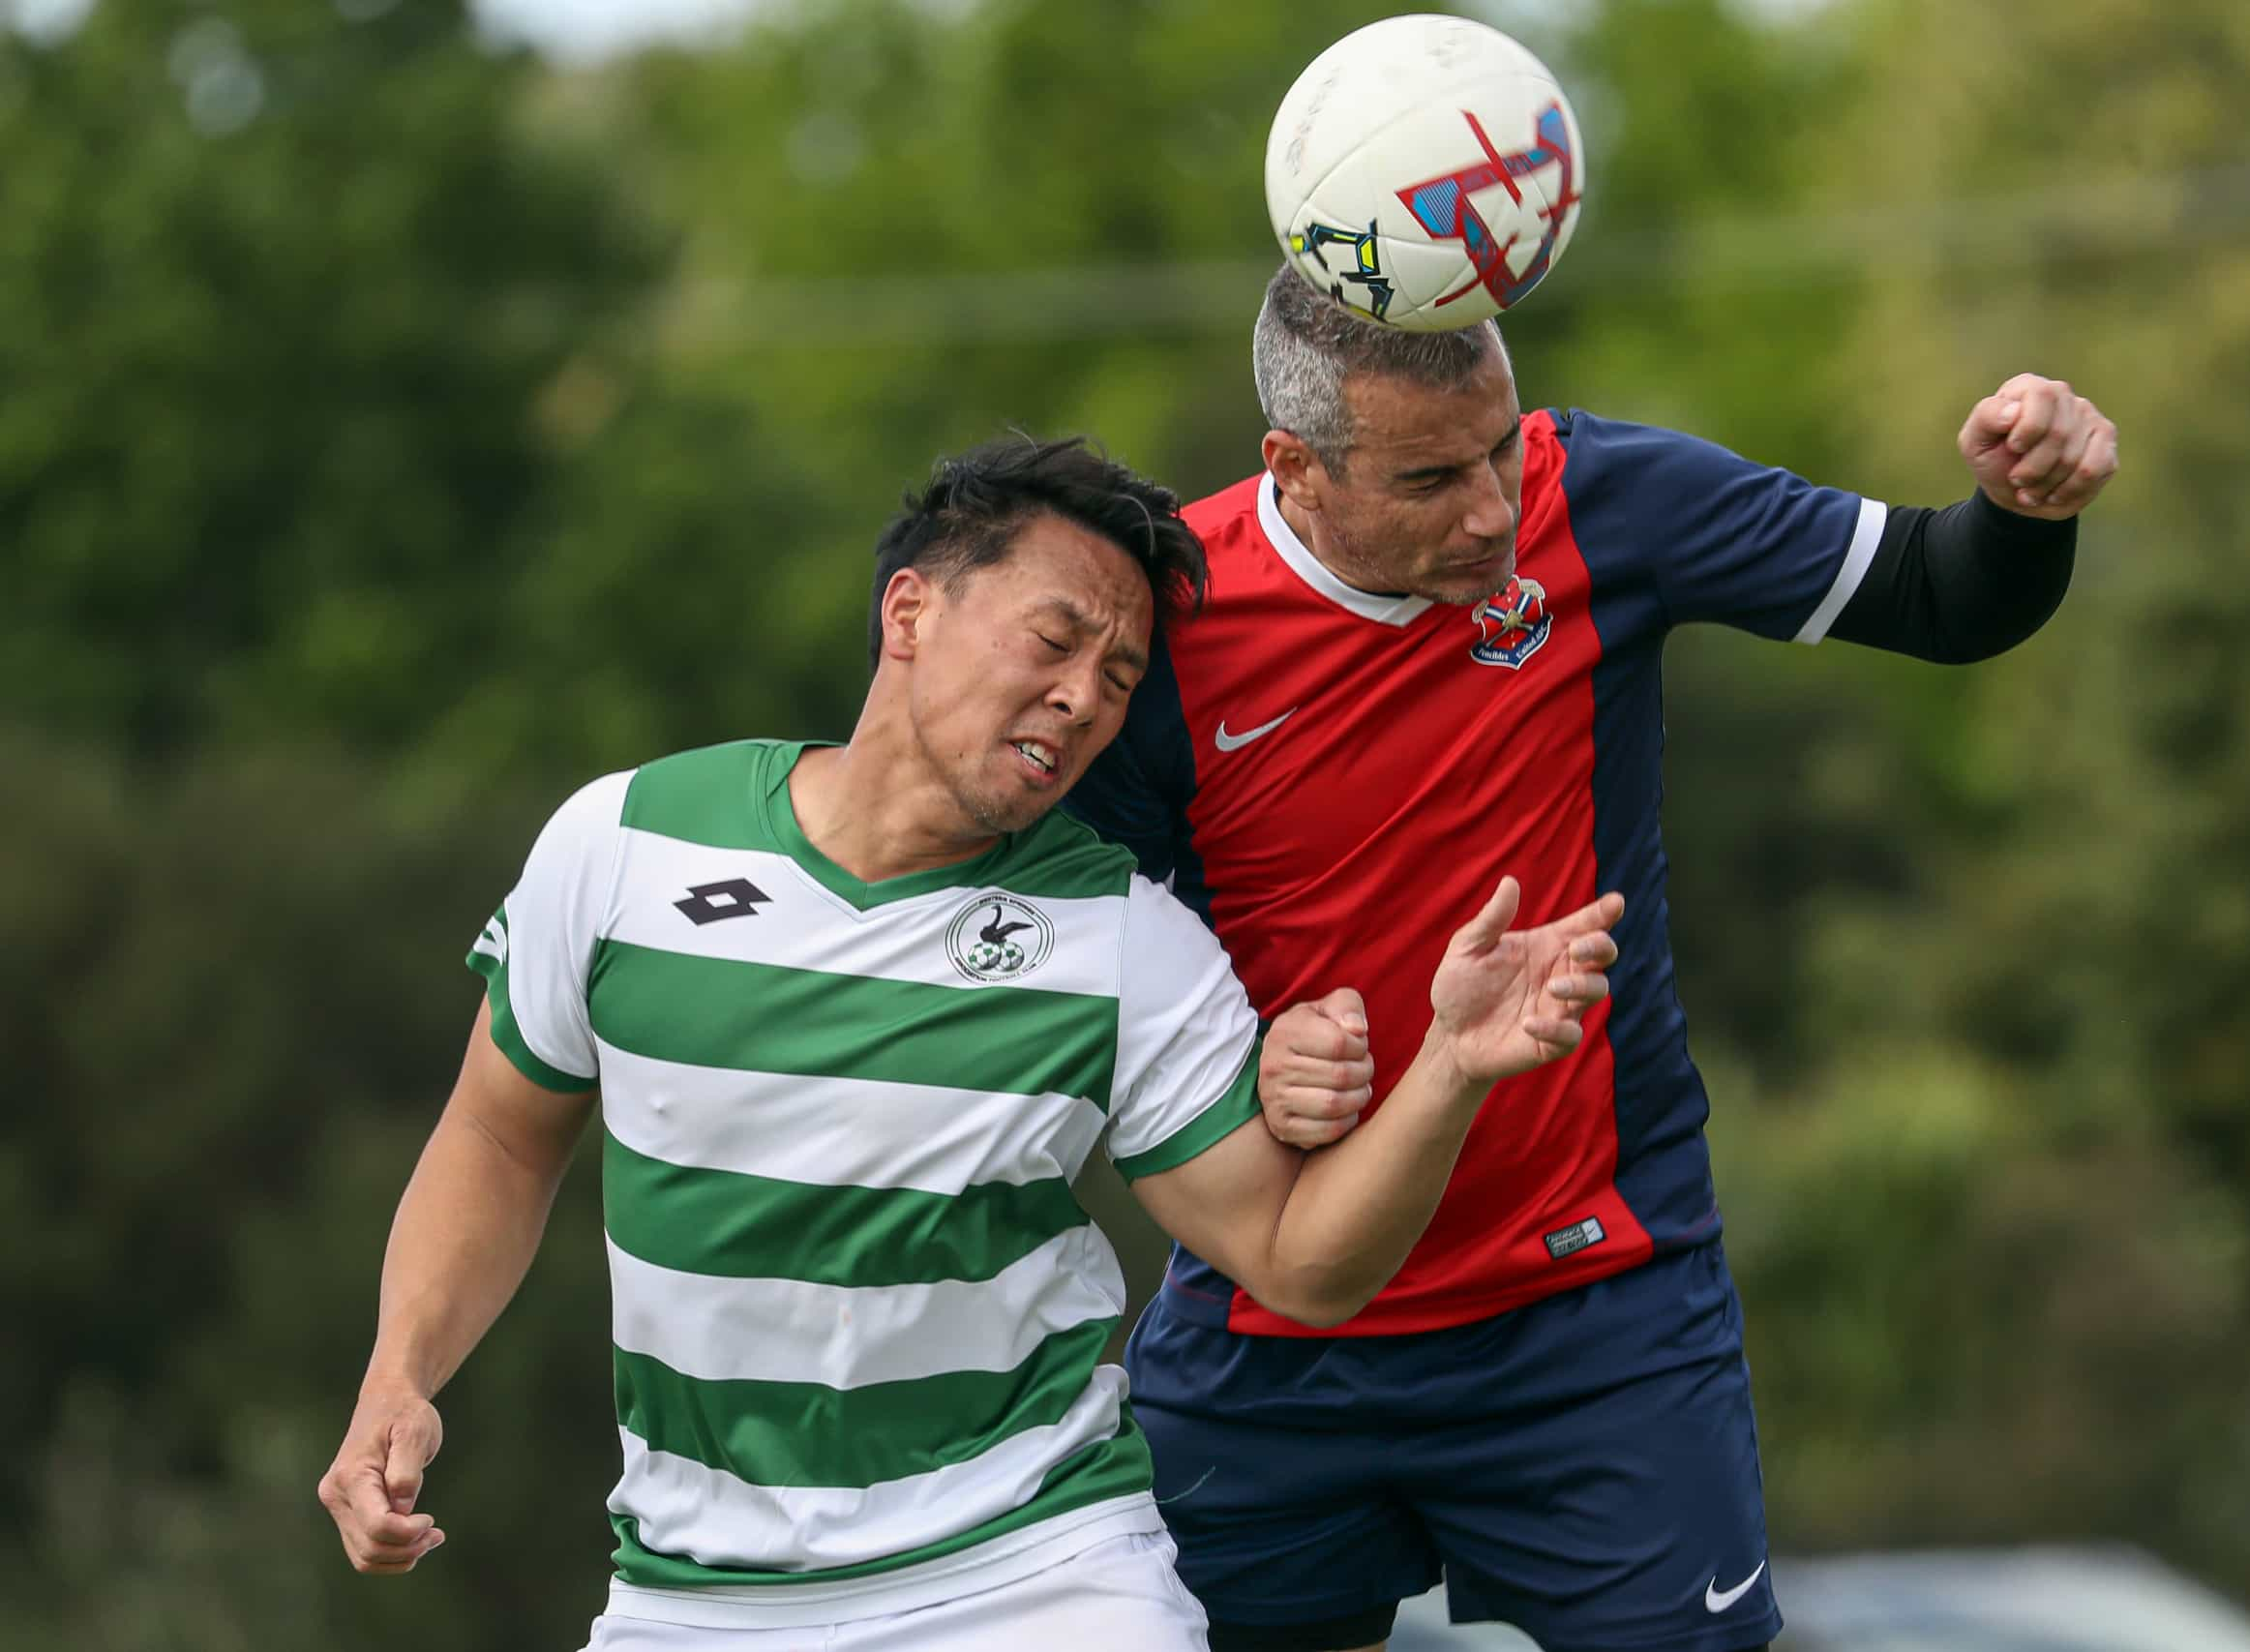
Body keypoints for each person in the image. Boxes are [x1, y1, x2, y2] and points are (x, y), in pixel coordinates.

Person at [314, 434, 1626, 1652]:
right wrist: (399, 1372)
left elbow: (1301, 1259)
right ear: (909, 614)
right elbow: (497, 1131)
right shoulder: (625, 842)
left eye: (1118, 678)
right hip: (690, 1599)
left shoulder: (1123, 940)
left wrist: (1449, 1069)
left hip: (1034, 1577)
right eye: (1054, 640)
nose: (1083, 700)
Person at [1062, 266, 2121, 1652]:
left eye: (1500, 444)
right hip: (1275, 1330)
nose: (1495, 506)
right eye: (1432, 477)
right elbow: (1076, 956)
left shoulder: (1607, 499)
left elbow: (1939, 593)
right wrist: (1241, 1051)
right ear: (1295, 468)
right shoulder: (1167, 621)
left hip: (1599, 1316)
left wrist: (2024, 513)